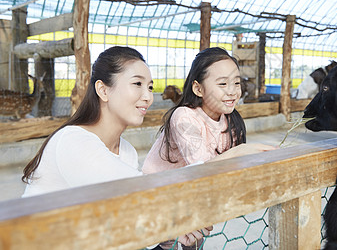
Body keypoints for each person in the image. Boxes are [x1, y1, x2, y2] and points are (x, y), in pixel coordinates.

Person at [21, 46, 210, 249]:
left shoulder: (126, 151)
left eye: (150, 87)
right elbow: (148, 193)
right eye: (137, 83)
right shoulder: (74, 141)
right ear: (103, 90)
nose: (147, 96)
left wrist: (164, 235)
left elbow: (125, 219)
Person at [142, 47, 275, 250]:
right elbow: (200, 169)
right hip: (159, 197)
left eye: (236, 83)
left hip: (193, 195)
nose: (232, 91)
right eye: (222, 83)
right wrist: (240, 153)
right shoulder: (184, 116)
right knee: (168, 244)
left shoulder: (232, 122)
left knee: (194, 242)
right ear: (198, 89)